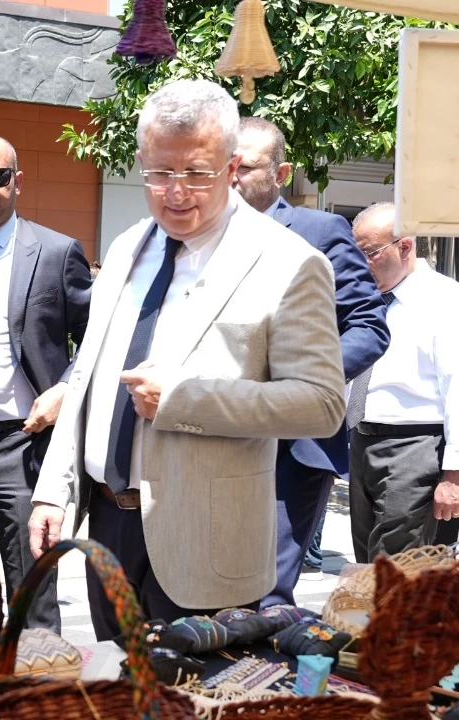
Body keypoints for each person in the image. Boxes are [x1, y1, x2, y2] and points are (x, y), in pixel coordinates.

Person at [28, 79, 346, 640]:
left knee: (197, 688)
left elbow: (321, 404)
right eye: (160, 173)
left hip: (207, 540)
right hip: (108, 526)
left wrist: (183, 398)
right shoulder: (128, 246)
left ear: (231, 167)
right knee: (119, 679)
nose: (176, 192)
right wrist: (56, 488)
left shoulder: (288, 263)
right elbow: (89, 376)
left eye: (197, 173)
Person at [0, 133, 92, 635]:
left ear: (18, 181)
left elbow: (97, 339)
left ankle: (39, 681)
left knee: (32, 594)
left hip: (23, 445)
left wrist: (66, 388)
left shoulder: (56, 252)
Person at [233, 117, 390, 605]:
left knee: (265, 592)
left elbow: (368, 325)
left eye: (245, 167)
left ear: (281, 174)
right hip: (212, 435)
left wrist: (302, 380)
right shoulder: (195, 237)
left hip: (292, 444)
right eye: (224, 165)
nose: (232, 177)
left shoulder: (319, 232)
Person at [348, 202, 459, 561]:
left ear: (405, 246)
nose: (361, 264)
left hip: (415, 446)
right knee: (368, 565)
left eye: (369, 253)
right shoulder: (365, 300)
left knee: (396, 565)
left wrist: (454, 475)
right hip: (361, 440)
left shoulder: (445, 300)